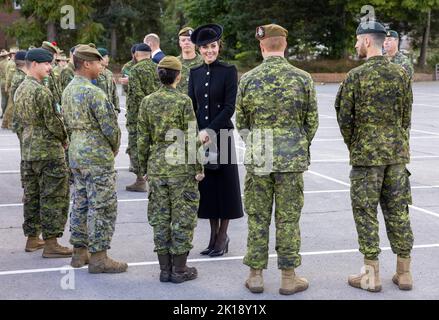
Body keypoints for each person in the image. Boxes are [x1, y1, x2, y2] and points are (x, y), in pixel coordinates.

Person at [237, 24, 318, 295]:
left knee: (258, 218)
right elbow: (312, 122)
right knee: (288, 218)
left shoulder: (248, 79)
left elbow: (241, 122)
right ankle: (288, 277)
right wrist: (296, 144)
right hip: (291, 160)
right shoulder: (302, 78)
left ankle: (256, 276)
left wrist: (257, 144)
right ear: (284, 46)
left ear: (262, 46)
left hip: (259, 158)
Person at [335, 21, 414, 292]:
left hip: (366, 157)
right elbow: (406, 116)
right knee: (398, 212)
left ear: (368, 42)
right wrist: (397, 141)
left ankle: (371, 276)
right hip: (396, 155)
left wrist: (355, 143)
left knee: (366, 213)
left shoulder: (355, 76)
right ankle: (404, 274)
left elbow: (344, 117)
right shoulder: (402, 74)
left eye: (358, 40)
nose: (356, 45)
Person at [137, 56, 204, 283]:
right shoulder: (183, 101)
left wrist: (143, 167)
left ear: (159, 75)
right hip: (180, 168)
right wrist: (199, 167)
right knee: (182, 218)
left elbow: (142, 138)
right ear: (179, 76)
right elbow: (192, 136)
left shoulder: (147, 102)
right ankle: (179, 269)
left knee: (160, 217)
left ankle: (165, 269)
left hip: (156, 166)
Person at [62, 44, 128, 273]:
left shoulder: (68, 89)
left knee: (81, 202)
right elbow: (110, 127)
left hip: (76, 153)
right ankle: (99, 258)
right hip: (96, 155)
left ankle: (79, 253)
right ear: (87, 64)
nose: (102, 66)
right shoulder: (94, 92)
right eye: (98, 62)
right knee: (102, 205)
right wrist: (114, 147)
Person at [188, 23, 244, 257]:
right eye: (204, 47)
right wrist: (196, 132)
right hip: (201, 137)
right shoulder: (195, 73)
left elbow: (230, 107)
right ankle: (212, 236)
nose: (209, 51)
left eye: (212, 46)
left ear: (218, 46)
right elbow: (191, 105)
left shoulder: (229, 70)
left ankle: (223, 236)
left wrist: (209, 130)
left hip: (221, 135)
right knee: (208, 188)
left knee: (225, 187)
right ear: (199, 50)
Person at [13, 48, 71, 257]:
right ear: (34, 64)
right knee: (54, 196)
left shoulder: (20, 88)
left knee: (32, 195)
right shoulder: (41, 91)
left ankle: (32, 238)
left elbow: (16, 122)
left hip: (28, 150)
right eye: (46, 64)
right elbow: (54, 122)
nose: (50, 68)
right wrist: (65, 139)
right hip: (48, 152)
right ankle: (51, 243)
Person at [125, 43, 159, 192]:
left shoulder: (135, 70)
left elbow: (136, 95)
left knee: (137, 146)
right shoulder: (158, 68)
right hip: (157, 114)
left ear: (136, 55)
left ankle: (140, 180)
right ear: (150, 54)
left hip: (138, 116)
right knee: (155, 144)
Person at [2, 50, 27, 129]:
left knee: (10, 104)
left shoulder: (12, 64)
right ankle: (8, 123)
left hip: (10, 84)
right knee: (10, 105)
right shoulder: (11, 65)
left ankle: (6, 122)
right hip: (8, 84)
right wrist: (7, 86)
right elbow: (9, 76)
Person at [176, 27, 203, 94]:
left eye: (189, 40)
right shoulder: (174, 63)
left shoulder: (204, 62)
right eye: (183, 40)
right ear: (180, 43)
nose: (186, 43)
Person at [96, 47, 120, 113]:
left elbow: (114, 92)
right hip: (98, 109)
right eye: (105, 57)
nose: (108, 59)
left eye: (107, 57)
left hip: (110, 110)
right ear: (99, 59)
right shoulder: (94, 73)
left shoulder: (109, 73)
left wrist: (117, 109)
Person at [0, 49, 10, 118]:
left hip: (2, 82)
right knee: (10, 99)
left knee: (3, 98)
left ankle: (3, 113)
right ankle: (8, 114)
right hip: (8, 81)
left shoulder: (0, 63)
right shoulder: (10, 63)